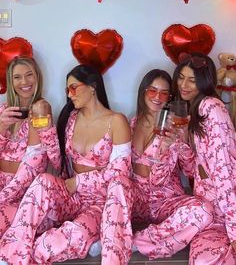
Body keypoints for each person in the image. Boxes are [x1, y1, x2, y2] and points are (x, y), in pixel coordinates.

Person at [0, 64, 132, 265]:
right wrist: (45, 128)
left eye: (73, 88)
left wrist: (77, 182)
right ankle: (10, 257)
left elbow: (119, 172)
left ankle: (90, 236)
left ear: (92, 86)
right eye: (66, 90)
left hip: (99, 202)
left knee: (52, 244)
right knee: (43, 180)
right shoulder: (70, 119)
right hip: (70, 198)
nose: (69, 95)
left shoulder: (117, 121)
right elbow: (58, 162)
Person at [129, 69, 213, 260]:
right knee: (114, 190)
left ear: (170, 97)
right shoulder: (130, 123)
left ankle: (135, 242)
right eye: (152, 90)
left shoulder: (177, 125)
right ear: (143, 92)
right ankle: (111, 239)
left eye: (164, 92)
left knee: (204, 210)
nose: (157, 97)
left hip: (167, 200)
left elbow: (191, 170)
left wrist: (181, 143)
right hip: (138, 200)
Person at [171, 52, 236, 264]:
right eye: (181, 77)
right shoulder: (195, 111)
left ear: (205, 81)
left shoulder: (212, 108)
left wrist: (234, 229)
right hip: (209, 209)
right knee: (200, 260)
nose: (183, 84)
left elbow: (225, 170)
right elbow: (193, 171)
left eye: (192, 79)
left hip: (227, 209)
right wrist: (181, 143)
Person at [0, 56, 60, 237]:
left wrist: (2, 197)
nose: (24, 82)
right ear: (10, 81)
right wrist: (1, 127)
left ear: (37, 78)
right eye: (17, 77)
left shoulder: (41, 109)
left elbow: (36, 165)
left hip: (25, 195)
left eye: (29, 75)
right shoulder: (4, 110)